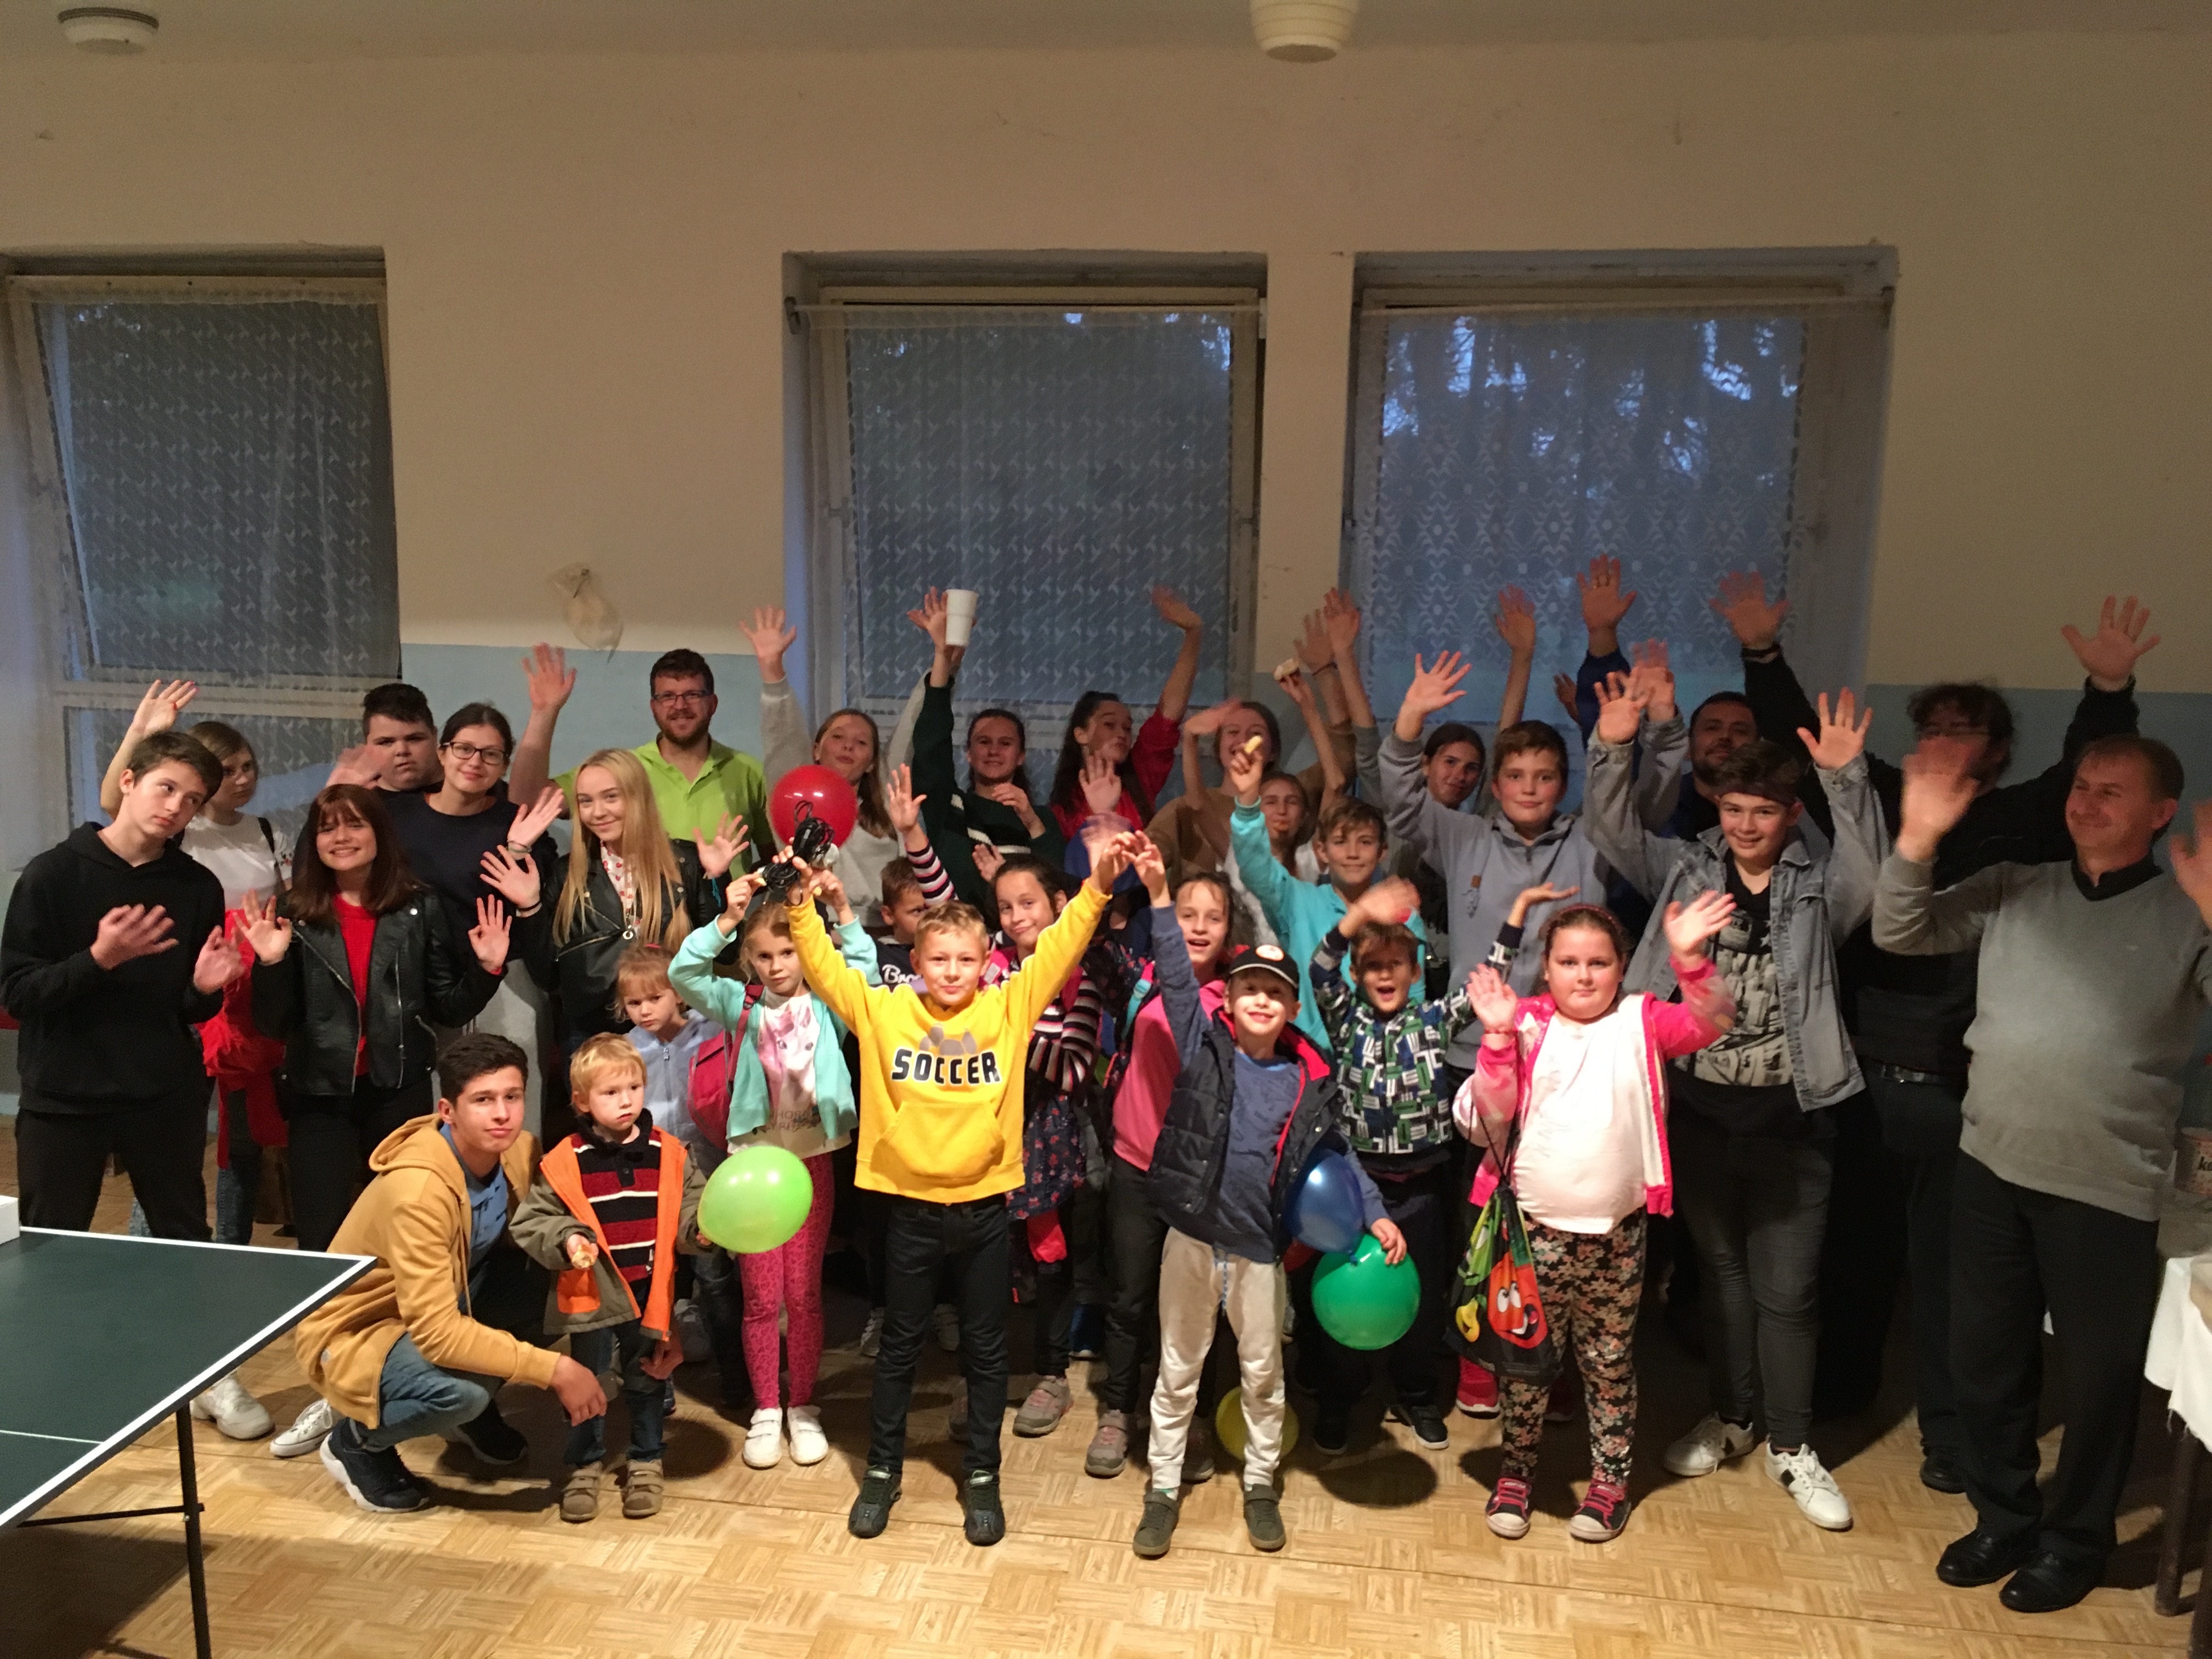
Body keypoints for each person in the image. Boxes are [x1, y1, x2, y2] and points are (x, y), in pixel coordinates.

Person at [1717, 573, 2156, 1470]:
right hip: (1856, 1077)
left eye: (1963, 731)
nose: (1942, 744)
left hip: (1960, 1091)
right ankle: (1836, 1401)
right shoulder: (1880, 797)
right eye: (1932, 730)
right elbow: (1810, 747)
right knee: (1850, 1256)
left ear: (1996, 751)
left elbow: (2086, 774)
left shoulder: (2021, 820)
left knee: (1959, 1279)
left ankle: (1950, 1436)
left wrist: (2108, 689)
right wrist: (1761, 652)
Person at [1875, 734, 2212, 1614]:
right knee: (1986, 1360)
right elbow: (1901, 929)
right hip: (1991, 1163)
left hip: (2107, 1185)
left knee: (2099, 1380)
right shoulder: (2017, 884)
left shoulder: (2186, 913)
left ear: (2160, 813)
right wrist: (1917, 842)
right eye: (2082, 786)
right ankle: (2004, 1517)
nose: (2085, 802)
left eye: (2111, 792)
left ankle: (2076, 1542)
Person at [1582, 669, 1884, 1533]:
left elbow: (1872, 870)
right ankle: (1733, 1417)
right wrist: (1611, 747)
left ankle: (1792, 1442)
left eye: (1765, 811)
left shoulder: (1818, 885)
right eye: (1735, 807)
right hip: (1701, 1112)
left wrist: (1844, 778)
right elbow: (1612, 829)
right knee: (1720, 1280)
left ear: (1789, 814)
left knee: (1788, 1292)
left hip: (1793, 1116)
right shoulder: (1686, 868)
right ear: (1717, 804)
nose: (1747, 824)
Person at [783, 825, 1130, 1547]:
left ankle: (982, 1475)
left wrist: (1098, 885)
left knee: (986, 1351)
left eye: (966, 959)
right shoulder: (884, 1009)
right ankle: (883, 1469)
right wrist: (798, 907)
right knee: (900, 1348)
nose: (951, 971)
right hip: (908, 1213)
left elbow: (1063, 944)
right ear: (915, 961)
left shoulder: (1008, 1006)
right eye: (938, 959)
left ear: (985, 962)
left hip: (983, 1211)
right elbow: (821, 964)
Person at [1130, 837, 1404, 1561]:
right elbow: (1176, 975)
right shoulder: (1203, 1046)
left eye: (1275, 993)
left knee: (1262, 1373)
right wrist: (1158, 893)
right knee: (1178, 1370)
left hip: (1258, 1251)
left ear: (1291, 1008)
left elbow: (1341, 1155)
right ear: (1229, 998)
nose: (1260, 999)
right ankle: (1162, 1487)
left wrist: (1376, 1213)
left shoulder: (1307, 1082)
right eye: (1248, 987)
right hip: (1192, 1237)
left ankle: (1260, 1482)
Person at [1458, 895, 1737, 1543]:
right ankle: (1516, 1474)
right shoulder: (1525, 1023)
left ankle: (1610, 1483)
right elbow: (1483, 1121)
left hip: (1617, 1238)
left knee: (1609, 1365)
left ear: (1621, 968)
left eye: (1599, 962)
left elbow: (1716, 1019)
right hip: (1532, 1237)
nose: (1583, 976)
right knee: (1524, 1365)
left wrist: (1691, 958)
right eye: (1568, 962)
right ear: (1546, 968)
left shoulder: (1642, 1020)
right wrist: (1496, 1039)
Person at [296, 1033, 605, 1514]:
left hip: (450, 1296)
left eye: (512, 1097)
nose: (502, 1114)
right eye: (483, 1100)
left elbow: (540, 1226)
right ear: (448, 1111)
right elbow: (438, 1334)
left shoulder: (519, 1149)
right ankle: (356, 1442)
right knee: (461, 1392)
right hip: (364, 1328)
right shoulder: (418, 1193)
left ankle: (469, 1417)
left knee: (554, 1287)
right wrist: (557, 1370)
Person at [240, 783, 509, 1254]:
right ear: (314, 842)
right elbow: (274, 1025)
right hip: (318, 1092)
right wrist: (271, 963)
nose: (341, 837)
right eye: (327, 828)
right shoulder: (292, 912)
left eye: (354, 824)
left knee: (403, 1226)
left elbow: (448, 1008)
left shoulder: (419, 905)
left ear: (379, 833)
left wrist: (487, 969)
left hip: (398, 1087)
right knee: (322, 1234)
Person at [670, 864, 878, 1469]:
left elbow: (865, 976)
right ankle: (767, 1407)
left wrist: (843, 913)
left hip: (812, 1163)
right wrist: (726, 921)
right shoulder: (741, 1002)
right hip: (755, 1168)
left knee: (805, 1295)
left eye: (787, 952)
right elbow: (684, 973)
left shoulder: (831, 1002)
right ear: (750, 961)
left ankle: (803, 1404)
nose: (777, 965)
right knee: (761, 1299)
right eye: (763, 956)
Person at [2, 730, 240, 1235]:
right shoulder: (52, 875)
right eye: (167, 788)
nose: (176, 807)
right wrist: (99, 959)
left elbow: (188, 1011)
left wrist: (203, 988)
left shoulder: (197, 886)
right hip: (64, 1095)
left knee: (185, 1239)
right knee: (50, 1243)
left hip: (162, 1094)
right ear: (128, 781)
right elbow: (19, 995)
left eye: (192, 800)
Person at [1304, 877, 1481, 1455]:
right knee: (1346, 1291)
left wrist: (1519, 914)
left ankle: (1416, 1392)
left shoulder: (1433, 1021)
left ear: (1415, 970)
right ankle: (1341, 1394)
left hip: (1423, 1188)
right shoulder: (1346, 1020)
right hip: (1355, 1188)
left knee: (1421, 1299)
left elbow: (1487, 984)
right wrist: (1358, 916)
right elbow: (1321, 967)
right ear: (1359, 975)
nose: (1385, 974)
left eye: (1396, 964)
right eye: (1373, 965)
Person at [512, 1034, 706, 1522]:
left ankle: (646, 1459)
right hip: (591, 1295)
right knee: (589, 1382)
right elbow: (533, 1221)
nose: (626, 1101)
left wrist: (700, 1230)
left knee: (649, 1378)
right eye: (611, 1092)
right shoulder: (565, 1160)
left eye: (634, 1088)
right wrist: (567, 1239)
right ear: (582, 1101)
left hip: (649, 1292)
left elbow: (692, 1205)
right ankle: (583, 1464)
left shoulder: (669, 1153)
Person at [499, 747, 743, 1135]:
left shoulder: (685, 862)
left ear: (637, 796)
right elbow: (547, 975)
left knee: (684, 1144)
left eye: (611, 797)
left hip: (678, 1038)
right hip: (593, 1039)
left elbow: (728, 951)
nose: (598, 812)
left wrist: (717, 879)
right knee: (606, 1153)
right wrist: (529, 906)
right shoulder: (566, 874)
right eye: (586, 801)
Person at [1377, 648, 1599, 1064]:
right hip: (1471, 1050)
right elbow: (1403, 803)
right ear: (1496, 788)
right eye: (1515, 777)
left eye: (1544, 777)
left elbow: (1638, 802)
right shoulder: (1465, 837)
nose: (1529, 789)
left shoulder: (1591, 843)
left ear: (1562, 786)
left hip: (1564, 1053)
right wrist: (1410, 719)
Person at [1083, 868, 1234, 1481]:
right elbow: (1091, 946)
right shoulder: (1142, 978)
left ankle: (1191, 1417)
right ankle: (1118, 1409)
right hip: (1134, 1163)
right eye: (1186, 914)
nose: (1197, 927)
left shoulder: (1235, 1000)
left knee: (1198, 1308)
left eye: (1212, 917)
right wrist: (1102, 877)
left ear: (1230, 931)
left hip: (1199, 1180)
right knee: (1130, 1297)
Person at [381, 702, 563, 1135]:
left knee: (511, 1095)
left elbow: (535, 907)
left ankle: (517, 1179)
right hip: (426, 977)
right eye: (464, 749)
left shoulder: (518, 824)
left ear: (504, 765)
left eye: (491, 754)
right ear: (443, 753)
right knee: (438, 1103)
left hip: (508, 978)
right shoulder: (396, 817)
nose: (475, 762)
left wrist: (519, 850)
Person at [978, 853, 1109, 1442]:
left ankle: (1051, 1374)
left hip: (1050, 1136)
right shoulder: (990, 967)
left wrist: (1014, 1029)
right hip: (988, 1129)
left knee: (1049, 1255)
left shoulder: (1078, 977)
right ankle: (987, 1376)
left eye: (1027, 903)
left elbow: (1075, 1069)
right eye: (1005, 907)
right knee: (988, 1254)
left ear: (1059, 904)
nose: (1015, 917)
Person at [1227, 739, 1427, 1056]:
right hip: (1305, 1056)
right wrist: (1249, 800)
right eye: (1340, 842)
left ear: (1382, 852)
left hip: (1373, 1062)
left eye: (1365, 842)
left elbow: (1414, 999)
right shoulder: (1296, 899)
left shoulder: (1401, 914)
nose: (1352, 853)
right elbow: (1255, 867)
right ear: (1322, 850)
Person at [508, 642, 774, 860]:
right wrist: (544, 713)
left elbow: (775, 859)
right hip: (640, 911)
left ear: (713, 704)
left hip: (730, 912)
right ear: (653, 707)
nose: (680, 706)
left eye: (692, 695)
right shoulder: (621, 770)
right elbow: (526, 804)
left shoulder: (749, 771)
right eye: (667, 697)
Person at [616, 944, 740, 1397]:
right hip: (651, 1178)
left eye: (655, 998)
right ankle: (656, 1383)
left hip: (706, 1176)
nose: (645, 1010)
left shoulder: (713, 1032)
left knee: (715, 1276)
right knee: (654, 1281)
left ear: (680, 993)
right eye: (634, 1002)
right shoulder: (626, 1049)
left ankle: (736, 1376)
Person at [906, 589, 1068, 909]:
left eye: (1005, 744)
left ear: (1021, 756)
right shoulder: (949, 806)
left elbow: (1055, 891)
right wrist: (942, 657)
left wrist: (1030, 821)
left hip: (1018, 937)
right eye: (983, 742)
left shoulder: (1041, 820)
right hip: (956, 933)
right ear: (968, 753)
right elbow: (930, 744)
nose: (994, 751)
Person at [742, 605, 905, 913]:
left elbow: (912, 734)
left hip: (875, 932)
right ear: (816, 750)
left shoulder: (887, 808)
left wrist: (943, 666)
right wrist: (772, 669)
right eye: (838, 737)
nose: (848, 746)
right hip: (807, 925)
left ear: (872, 762)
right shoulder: (797, 803)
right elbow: (783, 738)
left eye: (861, 743)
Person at [1044, 587, 1206, 838]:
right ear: (1081, 734)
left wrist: (1193, 633)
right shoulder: (1062, 807)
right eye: (1109, 725)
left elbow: (1169, 716)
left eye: (1128, 728)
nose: (1121, 734)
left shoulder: (1139, 776)